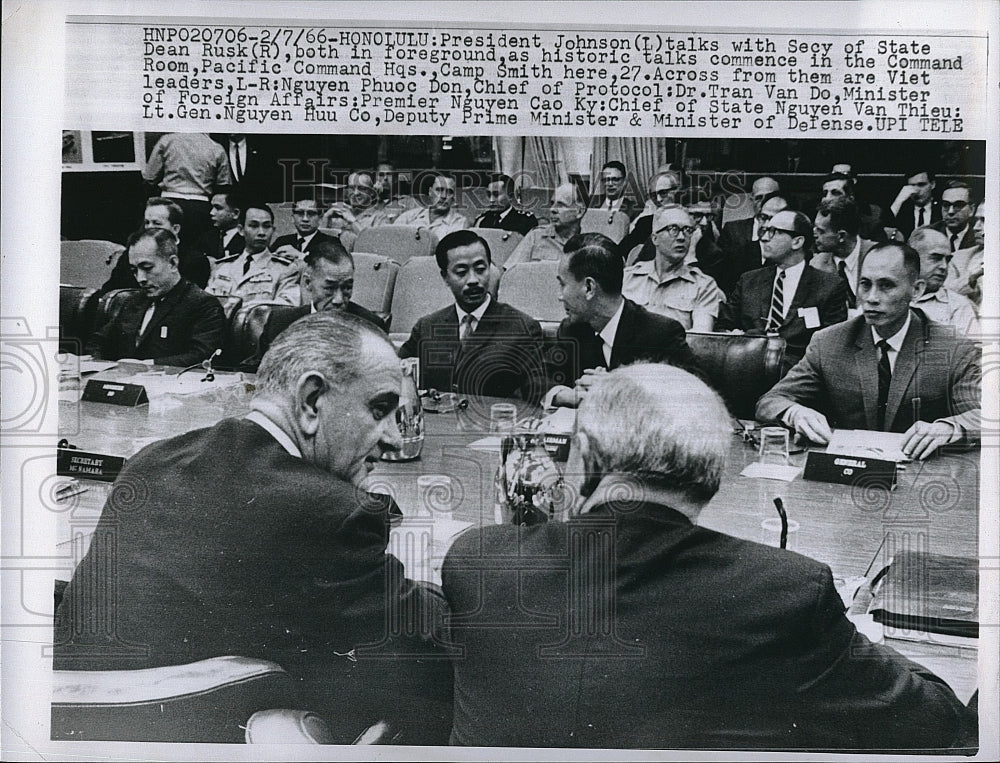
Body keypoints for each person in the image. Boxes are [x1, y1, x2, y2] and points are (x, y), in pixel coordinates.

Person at [442, 362, 974, 749]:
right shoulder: (786, 591)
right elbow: (937, 722)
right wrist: (843, 636)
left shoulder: (474, 559)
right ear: (714, 477)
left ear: (585, 459)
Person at [58, 311, 454, 744]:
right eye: (379, 410)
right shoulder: (334, 513)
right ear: (311, 401)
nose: (393, 439)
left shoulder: (153, 459)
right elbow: (427, 638)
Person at [756, 242, 981, 460]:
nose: (871, 298)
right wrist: (794, 412)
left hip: (919, 479)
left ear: (916, 291)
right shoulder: (829, 342)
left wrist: (950, 428)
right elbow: (771, 401)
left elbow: (983, 417)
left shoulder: (954, 349)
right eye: (865, 284)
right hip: (842, 478)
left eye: (886, 285)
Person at [546, 232, 698, 408]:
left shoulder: (661, 334)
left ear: (589, 288)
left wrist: (620, 390)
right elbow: (536, 379)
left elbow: (697, 395)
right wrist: (568, 395)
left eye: (563, 284)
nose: (560, 296)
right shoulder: (572, 330)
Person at [399, 230, 545, 401]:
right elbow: (395, 371)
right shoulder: (426, 327)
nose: (473, 280)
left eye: (480, 269)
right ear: (445, 277)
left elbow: (537, 389)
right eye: (461, 272)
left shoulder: (523, 328)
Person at [716, 210, 847, 372]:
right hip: (745, 368)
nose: (764, 238)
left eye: (773, 232)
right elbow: (723, 326)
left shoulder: (829, 286)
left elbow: (831, 345)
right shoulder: (749, 281)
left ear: (797, 242)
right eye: (763, 231)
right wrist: (735, 336)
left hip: (800, 374)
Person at [84, 228, 225, 367]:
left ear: (173, 263)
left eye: (147, 268)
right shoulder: (133, 300)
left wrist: (147, 366)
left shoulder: (202, 304)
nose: (140, 279)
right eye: (134, 270)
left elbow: (202, 356)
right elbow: (98, 342)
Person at [252, 238, 387, 367]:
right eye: (329, 288)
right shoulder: (279, 323)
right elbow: (255, 374)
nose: (338, 300)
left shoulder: (372, 327)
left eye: (347, 288)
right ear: (308, 283)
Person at [622, 205, 725, 331]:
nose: (681, 237)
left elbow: (700, 338)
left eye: (687, 230)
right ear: (655, 238)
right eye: (673, 229)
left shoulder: (703, 286)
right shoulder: (627, 278)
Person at [101, 197, 212, 291]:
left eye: (156, 223)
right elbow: (111, 289)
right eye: (147, 223)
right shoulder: (131, 254)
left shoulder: (194, 260)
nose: (149, 228)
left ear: (175, 228)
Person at [142, 132, 233, 243]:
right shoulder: (216, 147)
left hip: (169, 203)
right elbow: (223, 184)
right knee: (197, 247)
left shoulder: (166, 141)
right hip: (200, 207)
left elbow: (150, 176)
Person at [206, 203, 300, 305]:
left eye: (267, 226)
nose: (261, 232)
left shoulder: (285, 269)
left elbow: (287, 306)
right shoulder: (223, 266)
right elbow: (207, 304)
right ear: (241, 230)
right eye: (254, 226)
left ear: (273, 230)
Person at [908, 227, 980, 336]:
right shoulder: (891, 295)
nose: (944, 266)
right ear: (912, 258)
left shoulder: (957, 305)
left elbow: (971, 350)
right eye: (936, 258)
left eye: (947, 260)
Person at [810, 196, 878, 312]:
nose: (814, 234)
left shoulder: (878, 256)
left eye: (820, 231)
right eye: (814, 228)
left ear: (841, 236)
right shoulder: (817, 264)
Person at [504, 183, 585, 268]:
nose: (552, 209)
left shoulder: (590, 243)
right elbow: (511, 271)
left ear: (579, 212)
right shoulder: (536, 236)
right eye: (552, 203)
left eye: (561, 205)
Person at [321, 170, 397, 251]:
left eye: (362, 188)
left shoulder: (380, 218)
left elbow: (377, 247)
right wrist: (325, 219)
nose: (356, 193)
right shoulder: (337, 215)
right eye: (351, 188)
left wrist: (353, 222)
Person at [616, 169, 682, 261]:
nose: (658, 200)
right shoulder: (645, 223)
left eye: (663, 193)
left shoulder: (692, 220)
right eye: (653, 195)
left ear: (677, 192)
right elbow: (619, 252)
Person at [819, 171, 887, 242]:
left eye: (835, 193)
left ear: (850, 198)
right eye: (825, 194)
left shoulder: (871, 226)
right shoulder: (816, 223)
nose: (827, 198)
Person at [393, 173, 468, 236]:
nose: (444, 196)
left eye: (449, 192)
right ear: (430, 192)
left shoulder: (459, 222)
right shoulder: (409, 217)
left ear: (453, 197)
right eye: (439, 190)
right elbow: (391, 238)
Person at [472, 173, 538, 235]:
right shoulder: (483, 220)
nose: (491, 200)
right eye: (489, 195)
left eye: (496, 194)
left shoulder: (525, 220)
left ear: (510, 195)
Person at [270, 197, 336, 258]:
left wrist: (302, 256)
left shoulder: (331, 242)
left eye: (311, 213)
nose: (305, 219)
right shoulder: (281, 241)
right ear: (292, 218)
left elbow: (335, 268)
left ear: (320, 218)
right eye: (300, 213)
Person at [888, 167, 940, 240]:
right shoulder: (902, 210)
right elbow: (884, 229)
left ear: (933, 184)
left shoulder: (941, 207)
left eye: (921, 185)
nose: (916, 191)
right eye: (912, 186)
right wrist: (899, 201)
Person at [197, 191, 244, 261]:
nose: (211, 213)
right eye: (212, 208)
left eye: (218, 208)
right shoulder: (205, 238)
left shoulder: (246, 240)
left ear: (235, 213)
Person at [932, 180, 977, 252]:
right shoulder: (930, 235)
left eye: (958, 205)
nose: (950, 211)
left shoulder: (979, 237)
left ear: (971, 210)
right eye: (946, 205)